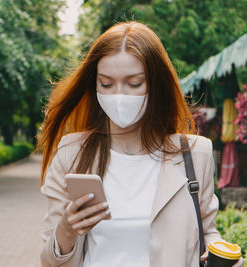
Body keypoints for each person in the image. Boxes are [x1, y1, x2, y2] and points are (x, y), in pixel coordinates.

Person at [36, 21, 245, 267]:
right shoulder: (72, 153)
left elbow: (206, 231)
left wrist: (221, 256)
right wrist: (67, 231)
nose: (118, 95)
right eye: (106, 83)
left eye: (134, 83)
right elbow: (49, 261)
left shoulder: (195, 153)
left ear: (156, 85)